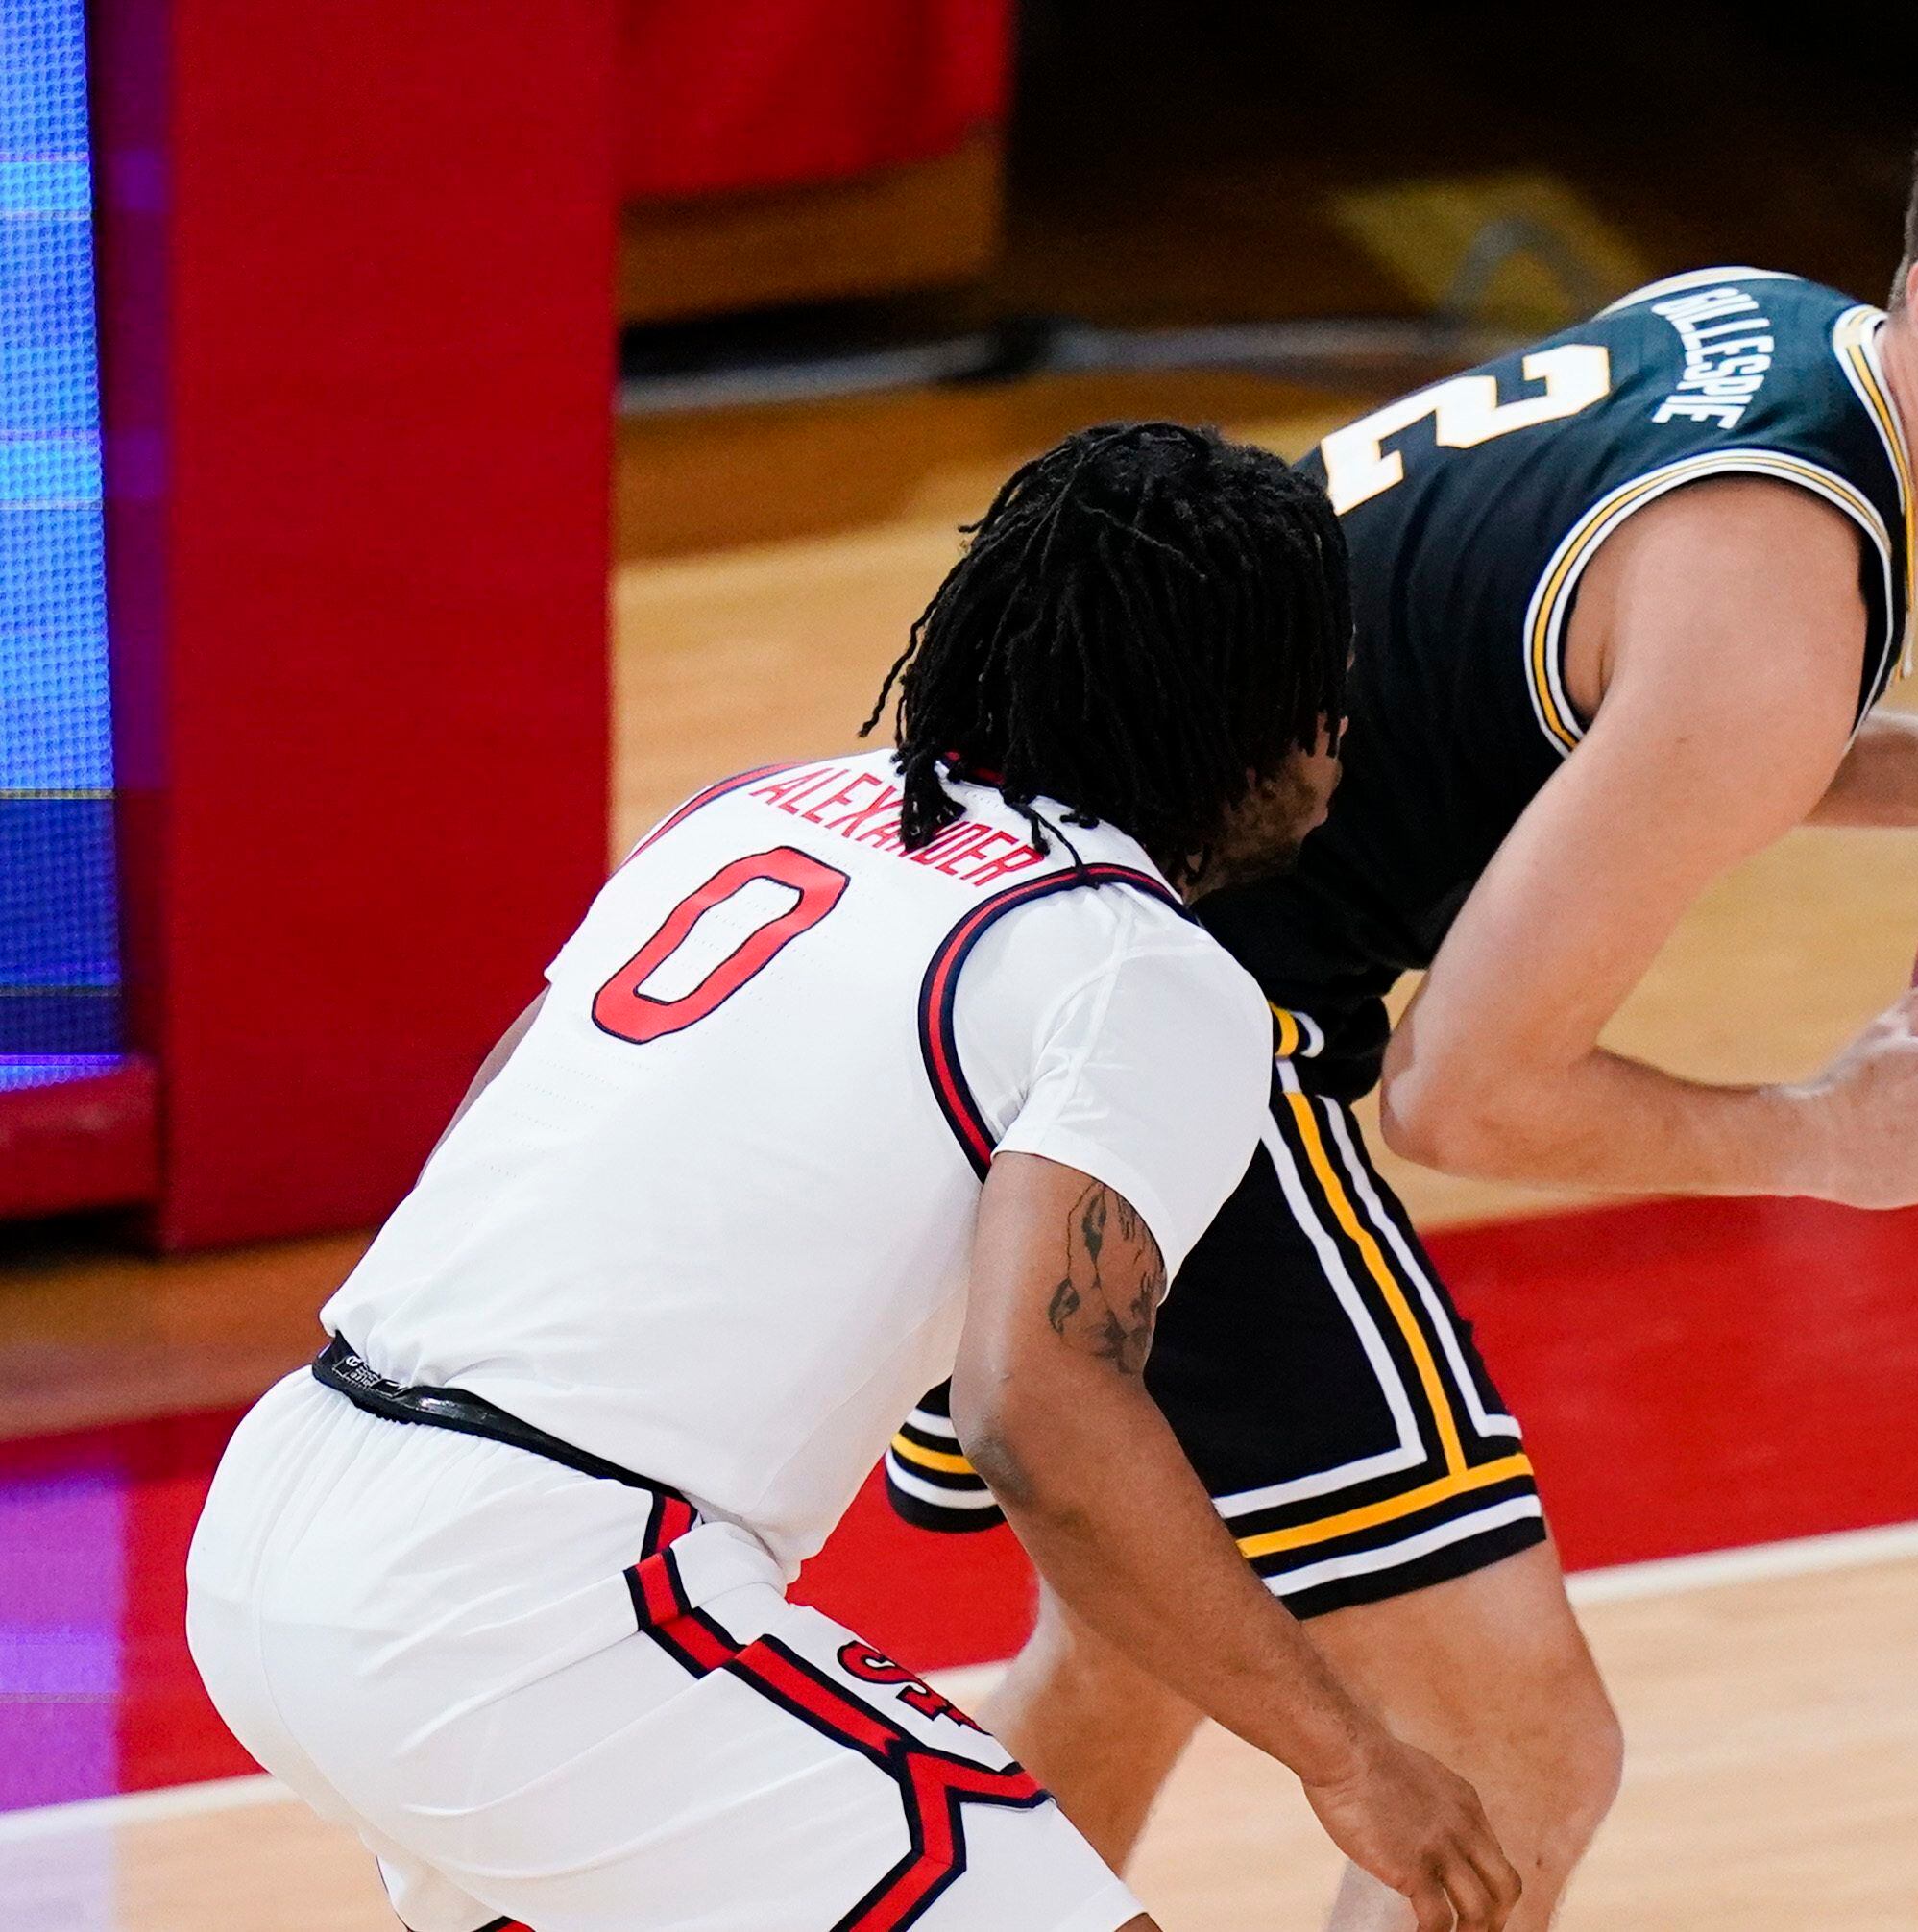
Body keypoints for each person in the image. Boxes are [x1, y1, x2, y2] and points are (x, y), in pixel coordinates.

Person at [886, 53, 1918, 1931]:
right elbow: (1464, 1093)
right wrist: (1833, 1140)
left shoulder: (1758, 330)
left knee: (1135, 1643)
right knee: (1522, 1762)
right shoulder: (1775, 607)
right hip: (1155, 1016)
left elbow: (1612, 687)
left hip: (957, 938)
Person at [184, 423, 1520, 1932]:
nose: (1340, 729)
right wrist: (1347, 1755)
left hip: (280, 1529)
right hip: (540, 1605)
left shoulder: (744, 812)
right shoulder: (1132, 964)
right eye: (1320, 685)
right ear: (1242, 715)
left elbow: (489, 1132)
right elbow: (1037, 1410)